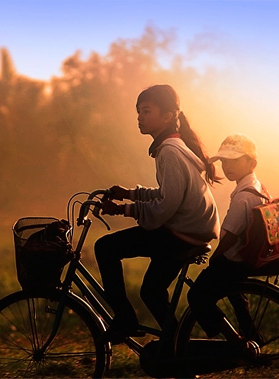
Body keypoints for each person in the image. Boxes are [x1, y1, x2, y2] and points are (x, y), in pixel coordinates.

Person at [95, 84, 220, 344]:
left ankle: (125, 319)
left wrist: (123, 209)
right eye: (138, 111)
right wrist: (130, 193)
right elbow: (169, 194)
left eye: (146, 111)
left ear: (166, 117)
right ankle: (176, 347)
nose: (140, 117)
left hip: (181, 232)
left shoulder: (170, 152)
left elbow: (165, 207)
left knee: (105, 247)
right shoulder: (173, 146)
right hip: (190, 230)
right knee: (151, 291)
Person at [187, 133, 269, 351]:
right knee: (236, 298)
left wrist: (216, 256)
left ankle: (233, 341)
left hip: (234, 259)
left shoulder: (243, 196)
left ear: (251, 163)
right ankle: (252, 336)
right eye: (224, 161)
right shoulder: (256, 186)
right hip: (246, 255)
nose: (227, 166)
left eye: (234, 161)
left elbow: (230, 233)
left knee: (196, 295)